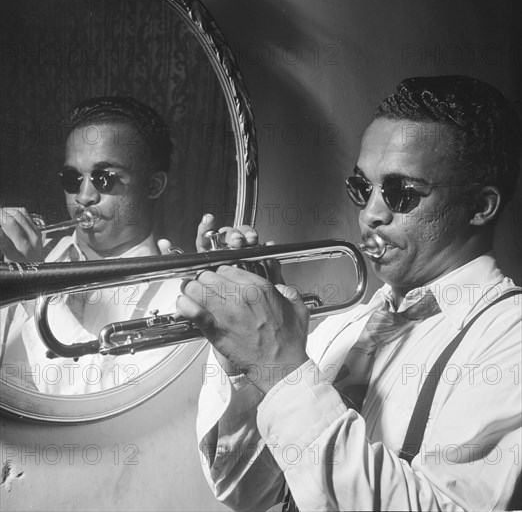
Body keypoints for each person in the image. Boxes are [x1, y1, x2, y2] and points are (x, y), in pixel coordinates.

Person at [180, 76, 522, 511]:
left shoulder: (510, 340)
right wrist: (241, 356)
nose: (370, 214)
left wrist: (281, 369)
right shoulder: (342, 328)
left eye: (402, 193)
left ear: (481, 206)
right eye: (363, 187)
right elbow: (252, 495)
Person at [0, 96, 183, 394]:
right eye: (73, 178)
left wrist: (31, 286)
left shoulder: (177, 293)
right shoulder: (33, 249)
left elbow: (98, 401)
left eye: (104, 178)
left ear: (153, 186)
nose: (84, 197)